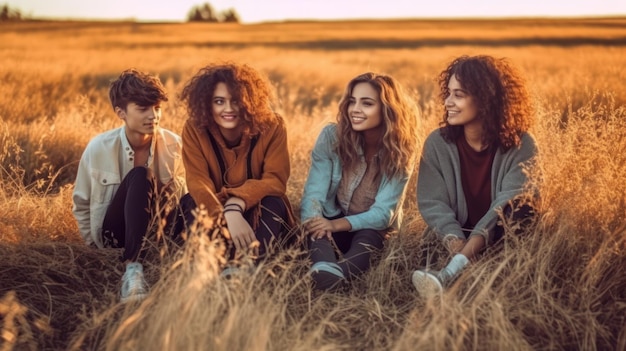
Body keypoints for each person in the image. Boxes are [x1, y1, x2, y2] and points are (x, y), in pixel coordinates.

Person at [411, 55, 538, 296]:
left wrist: (466, 254)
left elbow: (509, 202)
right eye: (448, 93)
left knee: (522, 206)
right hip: (455, 235)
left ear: (486, 100)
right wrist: (458, 245)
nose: (448, 102)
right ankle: (460, 270)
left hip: (500, 235)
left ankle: (451, 273)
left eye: (458, 95)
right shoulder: (437, 143)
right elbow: (433, 204)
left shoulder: (523, 144)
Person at [72, 69, 187, 303]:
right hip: (116, 235)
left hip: (160, 231)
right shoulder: (98, 148)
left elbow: (185, 198)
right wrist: (96, 249)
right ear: (120, 112)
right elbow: (81, 204)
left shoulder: (174, 144)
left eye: (157, 108)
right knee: (140, 175)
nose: (153, 116)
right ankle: (133, 269)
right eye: (143, 109)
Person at [301, 72, 419, 291]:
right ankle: (323, 267)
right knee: (316, 228)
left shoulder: (401, 149)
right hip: (330, 222)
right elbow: (313, 194)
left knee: (369, 239)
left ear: (387, 110)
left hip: (371, 228)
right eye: (352, 101)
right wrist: (318, 222)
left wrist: (335, 225)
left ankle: (337, 276)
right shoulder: (331, 136)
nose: (355, 109)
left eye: (367, 103)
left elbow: (384, 214)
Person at [179, 62, 296, 269]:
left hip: (258, 207)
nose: (229, 109)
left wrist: (235, 206)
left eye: (236, 101)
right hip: (214, 208)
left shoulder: (273, 125)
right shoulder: (194, 128)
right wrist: (224, 217)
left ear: (249, 101)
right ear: (207, 103)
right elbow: (198, 181)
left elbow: (275, 180)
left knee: (273, 201)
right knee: (192, 200)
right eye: (219, 101)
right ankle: (210, 263)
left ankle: (248, 267)